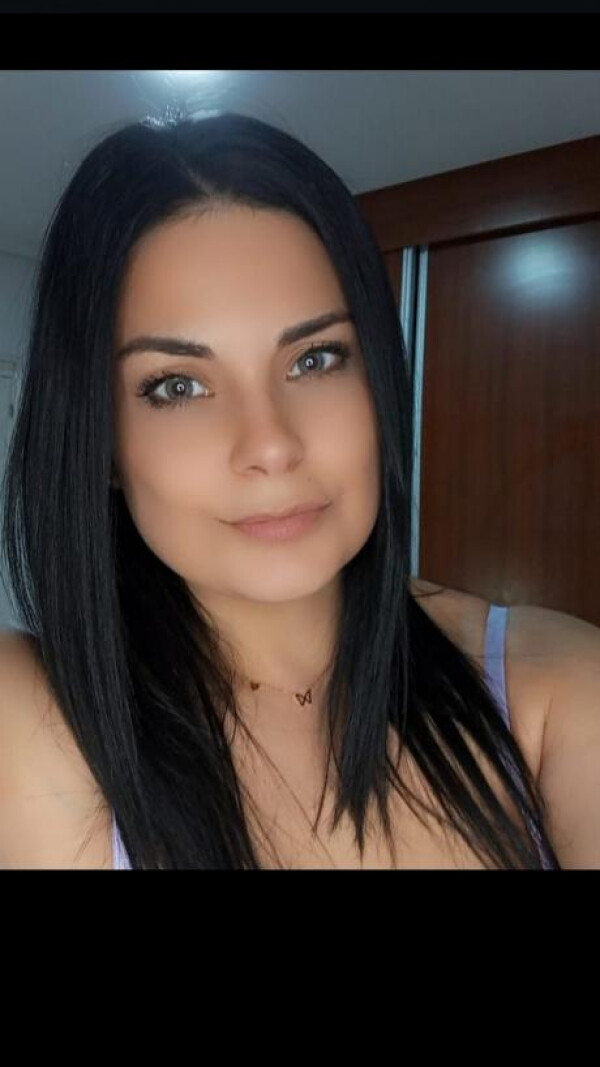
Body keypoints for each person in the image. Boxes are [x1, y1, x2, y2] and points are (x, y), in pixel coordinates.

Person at [0, 113, 598, 870]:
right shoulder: (31, 714)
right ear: (102, 443)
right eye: (178, 386)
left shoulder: (556, 689)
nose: (271, 444)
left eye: (315, 359)